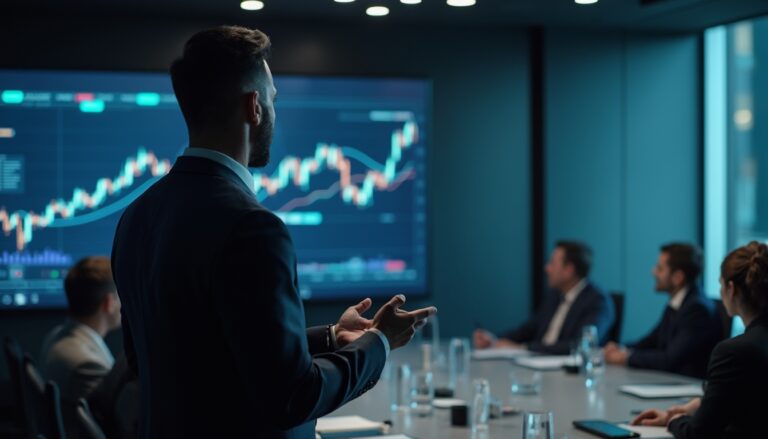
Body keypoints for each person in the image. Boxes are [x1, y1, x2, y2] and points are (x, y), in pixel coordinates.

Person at [111, 25, 437, 439]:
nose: (275, 111)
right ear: (254, 107)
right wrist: (379, 344)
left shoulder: (137, 215)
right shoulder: (252, 228)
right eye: (273, 99)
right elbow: (293, 396)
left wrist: (334, 337)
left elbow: (169, 356)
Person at [632, 241, 768, 438]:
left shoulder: (733, 351)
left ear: (731, 289)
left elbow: (697, 433)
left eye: (720, 284)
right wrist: (698, 406)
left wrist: (673, 420)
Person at [473, 241, 613, 354]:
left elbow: (580, 345)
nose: (547, 268)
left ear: (569, 270)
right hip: (536, 364)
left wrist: (523, 348)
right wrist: (494, 339)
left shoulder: (598, 302)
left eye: (552, 263)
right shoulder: (554, 296)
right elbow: (528, 329)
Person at [604, 243, 721, 378]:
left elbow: (669, 359)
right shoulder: (678, 302)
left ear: (678, 277)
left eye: (660, 268)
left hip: (687, 388)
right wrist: (621, 348)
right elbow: (652, 340)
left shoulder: (697, 310)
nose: (653, 272)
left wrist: (626, 357)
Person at [39, 256, 121, 403]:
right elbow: (111, 421)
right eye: (120, 295)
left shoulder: (55, 335)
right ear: (109, 302)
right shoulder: (87, 364)